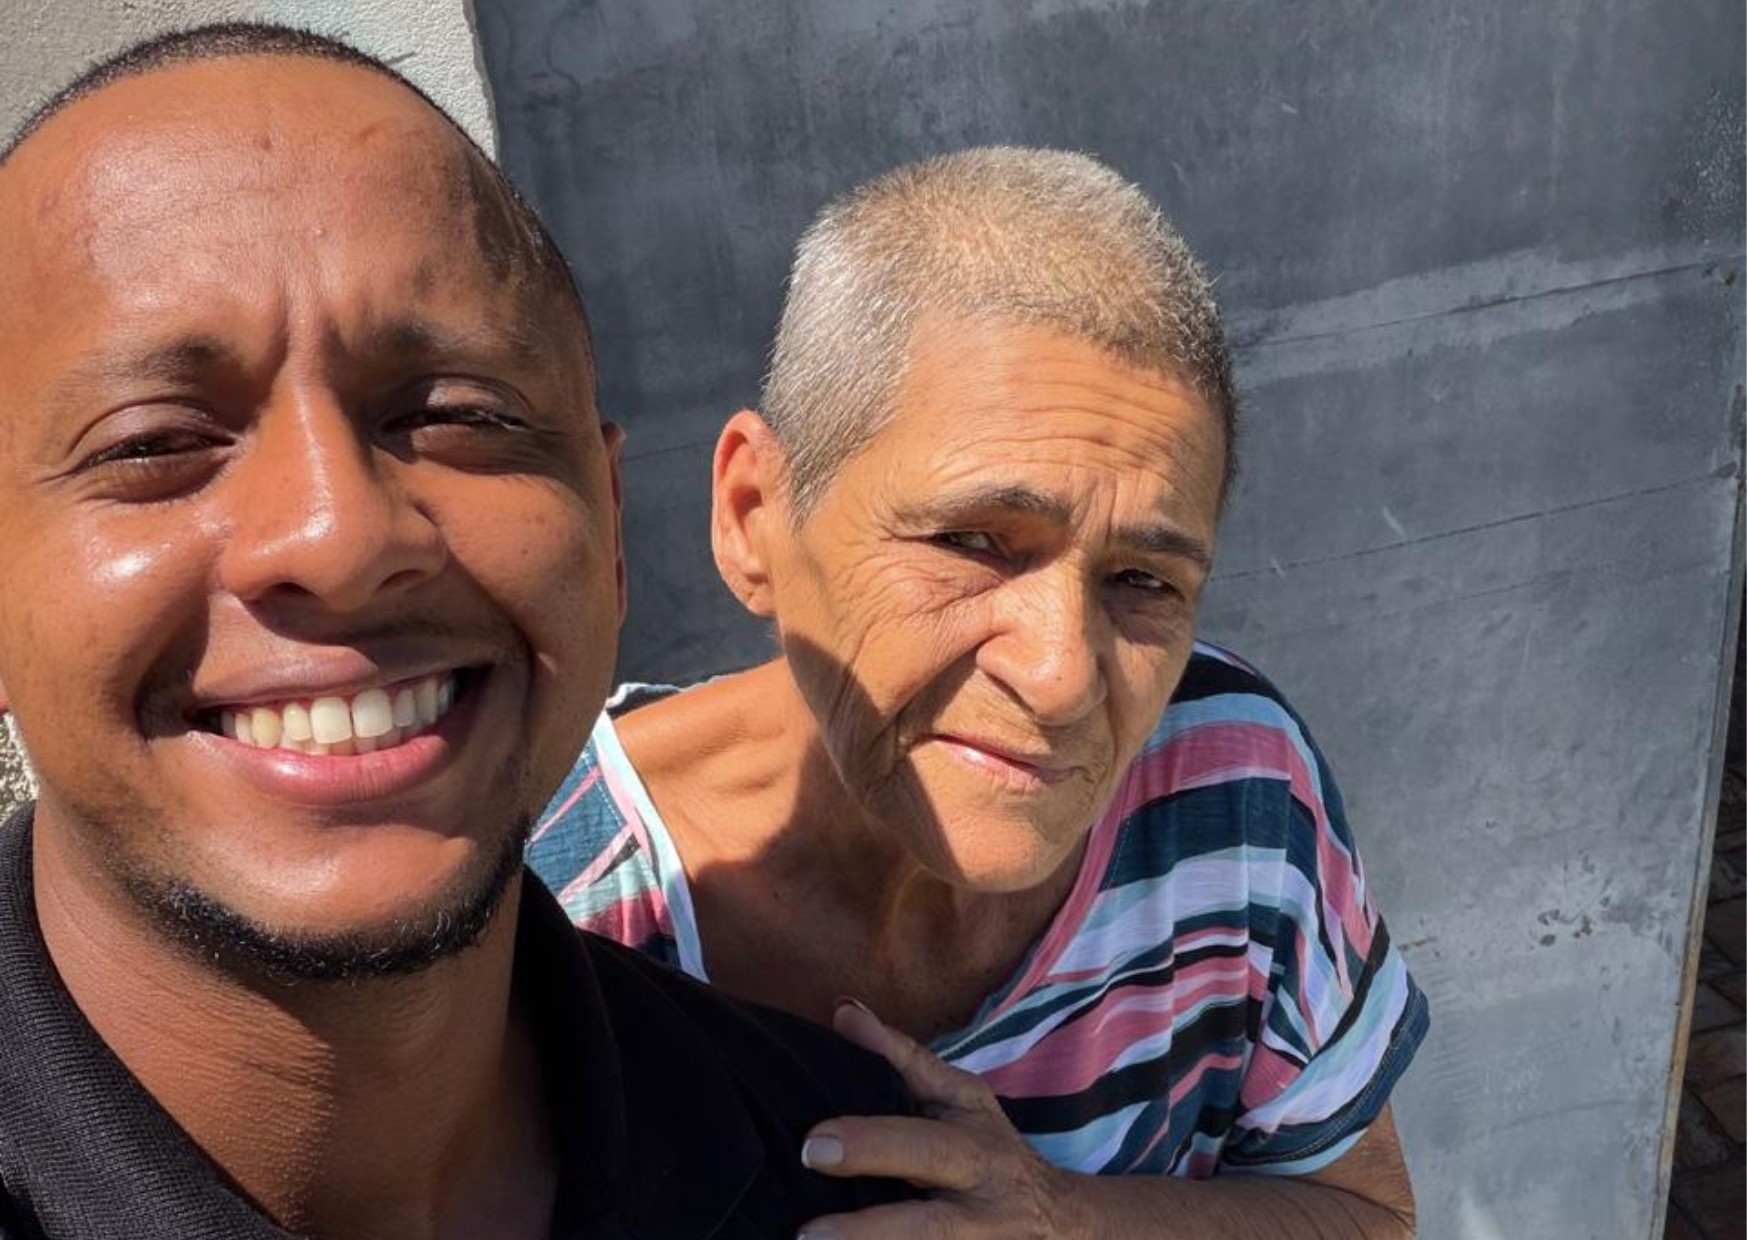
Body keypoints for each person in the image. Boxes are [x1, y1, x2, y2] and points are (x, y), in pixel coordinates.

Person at [0, 24, 918, 1240]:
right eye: (154, 441)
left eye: (458, 414)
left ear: (611, 533)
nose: (338, 535)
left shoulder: (854, 1174)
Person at [530, 147, 1431, 1239]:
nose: (1060, 678)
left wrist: (1070, 1221)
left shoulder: (1229, 789)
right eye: (969, 542)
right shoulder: (541, 905)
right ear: (753, 515)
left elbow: (1362, 1211)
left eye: (1141, 581)